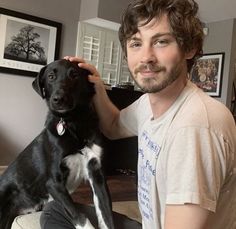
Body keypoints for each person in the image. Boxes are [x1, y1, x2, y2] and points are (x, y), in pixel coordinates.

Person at [41, 0, 236, 228]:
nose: (146, 58)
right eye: (136, 43)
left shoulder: (194, 127)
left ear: (189, 48)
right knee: (55, 211)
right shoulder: (149, 103)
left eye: (161, 41)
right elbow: (113, 126)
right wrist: (96, 86)